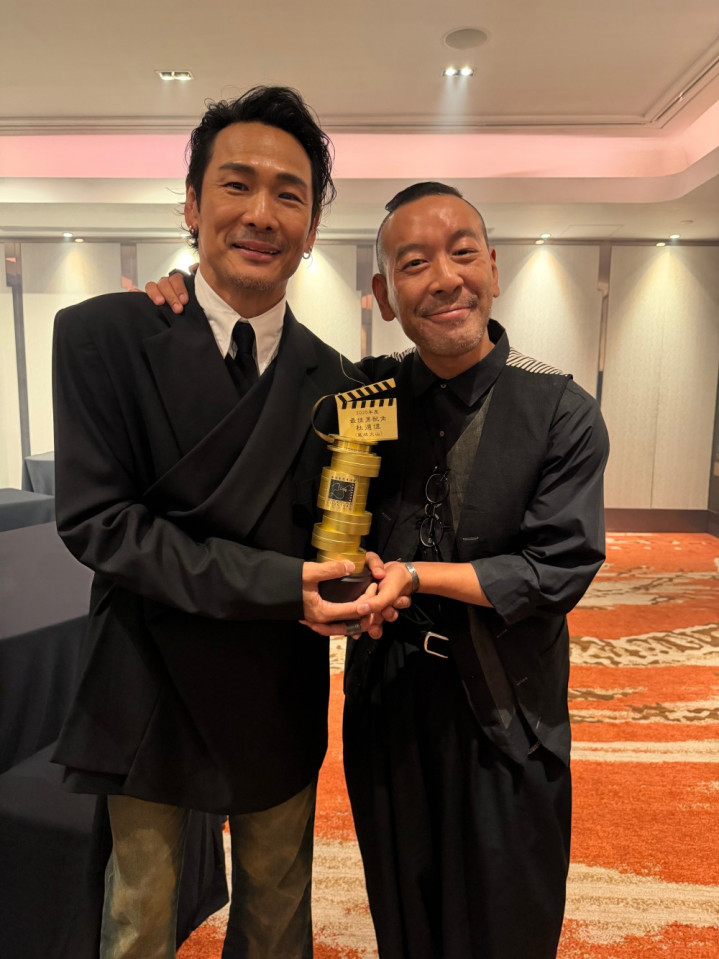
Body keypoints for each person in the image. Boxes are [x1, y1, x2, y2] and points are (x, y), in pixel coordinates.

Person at [148, 181, 609, 959]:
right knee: (403, 915)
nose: (444, 278)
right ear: (384, 294)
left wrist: (418, 576)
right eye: (413, 263)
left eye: (462, 253)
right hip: (386, 701)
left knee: (507, 921)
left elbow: (554, 568)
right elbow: (251, 398)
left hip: (504, 711)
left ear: (492, 268)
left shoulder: (557, 409)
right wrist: (190, 309)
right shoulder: (365, 393)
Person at [51, 86, 399, 959]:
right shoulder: (102, 337)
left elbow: (346, 530)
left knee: (276, 912)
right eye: (235, 184)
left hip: (272, 682)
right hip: (146, 673)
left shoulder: (341, 382)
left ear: (312, 228)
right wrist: (280, 585)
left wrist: (358, 582)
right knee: (138, 917)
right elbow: (99, 523)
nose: (260, 214)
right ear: (191, 204)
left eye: (289, 195)